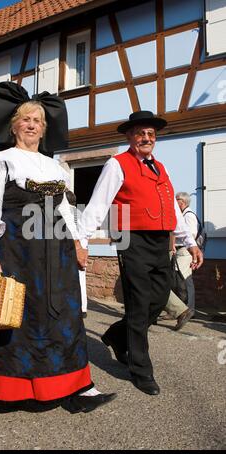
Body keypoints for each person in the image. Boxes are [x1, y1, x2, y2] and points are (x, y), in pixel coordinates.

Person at [0, 82, 116, 414]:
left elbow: (65, 210)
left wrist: (79, 242)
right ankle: (12, 389)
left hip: (57, 252)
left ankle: (78, 387)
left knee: (65, 316)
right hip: (16, 249)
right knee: (19, 318)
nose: (31, 125)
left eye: (38, 121)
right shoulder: (0, 160)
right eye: (26, 119)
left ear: (45, 130)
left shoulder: (54, 167)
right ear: (14, 126)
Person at [78, 110, 203, 396]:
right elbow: (98, 204)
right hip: (131, 240)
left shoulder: (162, 167)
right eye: (140, 134)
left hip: (161, 241)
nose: (146, 138)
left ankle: (116, 335)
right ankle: (140, 369)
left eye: (150, 134)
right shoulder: (116, 164)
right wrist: (81, 240)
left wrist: (190, 241)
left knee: (158, 299)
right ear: (129, 137)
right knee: (138, 302)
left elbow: (172, 207)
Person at [163, 192, 198, 330]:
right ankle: (180, 309)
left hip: (184, 250)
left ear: (182, 202)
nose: (174, 202)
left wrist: (175, 239)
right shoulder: (183, 215)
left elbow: (191, 233)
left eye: (176, 200)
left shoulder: (188, 215)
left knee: (185, 280)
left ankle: (188, 309)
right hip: (180, 250)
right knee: (177, 280)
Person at [66, 190, 88, 318]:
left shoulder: (64, 212)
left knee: (68, 277)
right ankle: (83, 307)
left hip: (71, 245)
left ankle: (71, 306)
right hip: (82, 245)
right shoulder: (80, 213)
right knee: (81, 278)